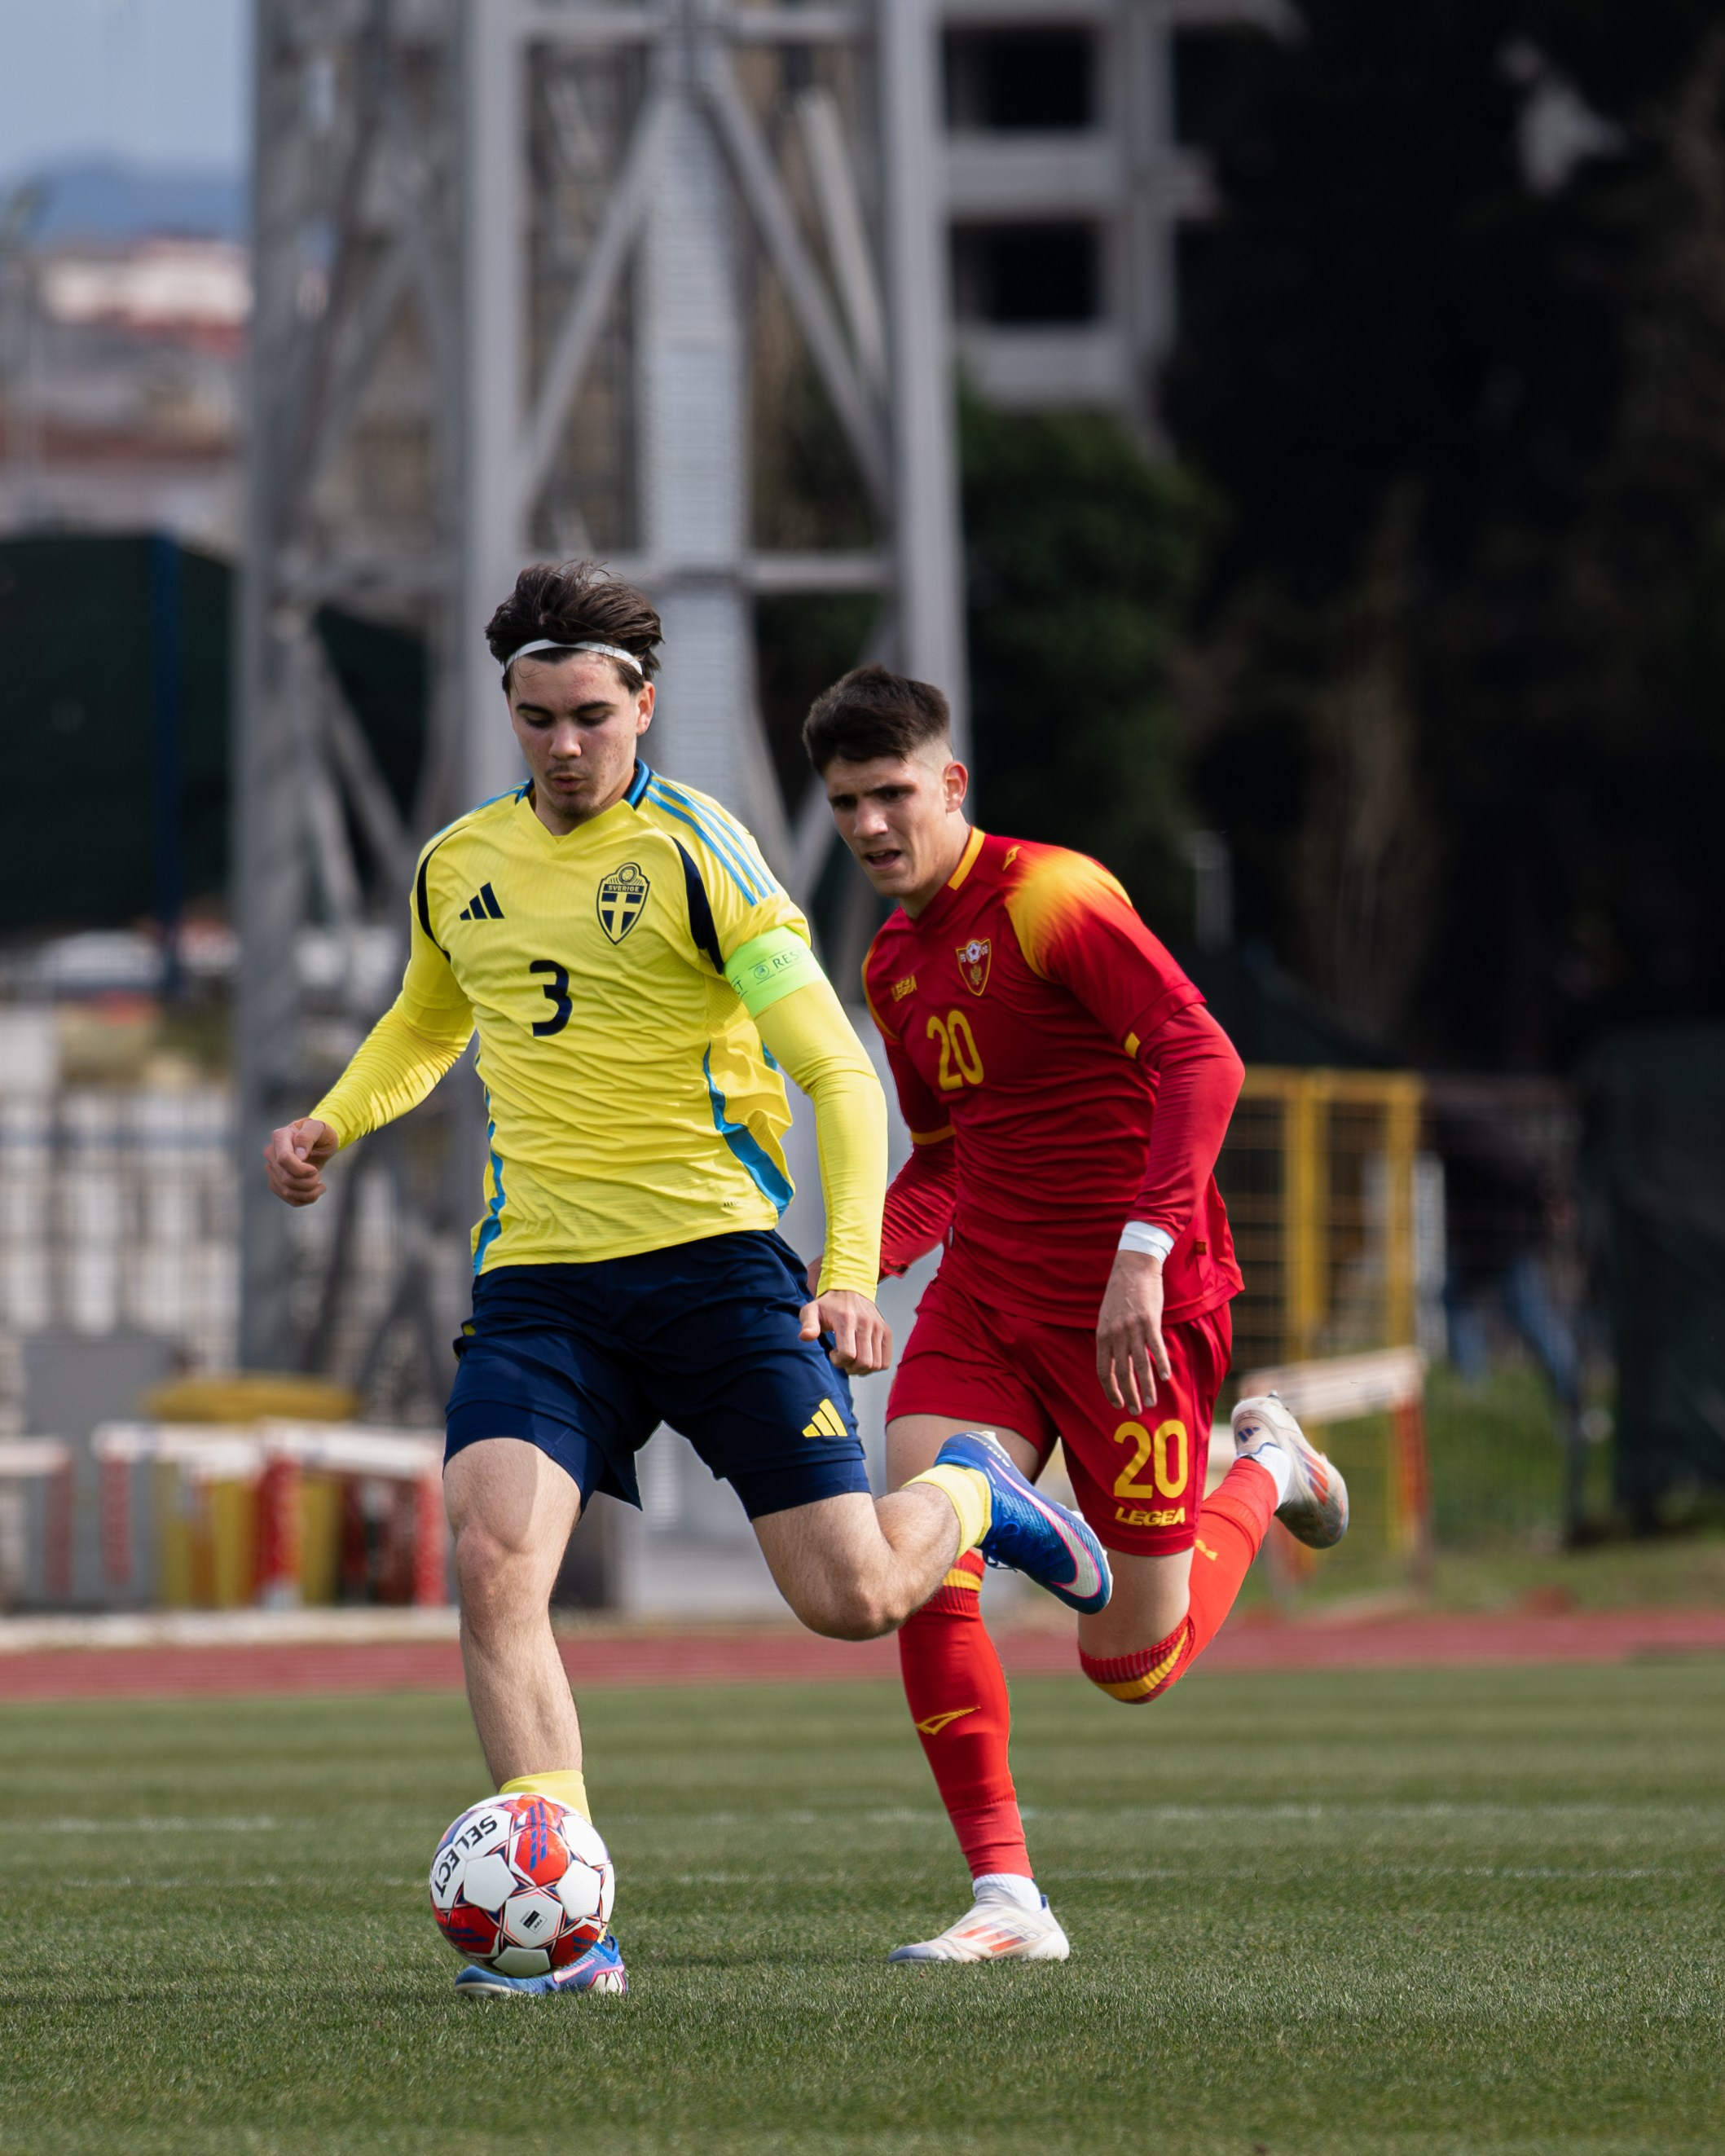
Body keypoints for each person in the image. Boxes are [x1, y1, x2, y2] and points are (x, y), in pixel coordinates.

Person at [262, 565, 1113, 2000]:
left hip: (717, 1268)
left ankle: (977, 1491)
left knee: (849, 1598)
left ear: (644, 706)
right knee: (490, 1564)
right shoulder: (457, 864)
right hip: (539, 1280)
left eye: (591, 715)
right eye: (536, 717)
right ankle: (565, 1926)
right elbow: (426, 1017)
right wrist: (333, 1121)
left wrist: (846, 1271)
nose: (563, 744)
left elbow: (839, 1073)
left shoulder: (702, 851)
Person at [804, 663, 1350, 1965]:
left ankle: (1266, 1464)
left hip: (1138, 1317)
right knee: (911, 1547)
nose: (872, 826)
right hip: (987, 1300)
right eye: (844, 805)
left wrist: (1142, 1254)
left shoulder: (1052, 896)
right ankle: (1007, 1899)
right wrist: (849, 1264)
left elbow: (1197, 1052)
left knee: (1133, 1666)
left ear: (951, 784)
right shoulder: (891, 963)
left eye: (891, 794)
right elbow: (943, 1158)